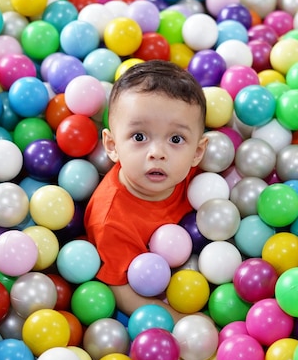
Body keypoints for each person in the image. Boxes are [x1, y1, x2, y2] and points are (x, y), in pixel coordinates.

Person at [84, 60, 209, 322]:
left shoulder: (197, 176)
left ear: (198, 152)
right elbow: (122, 291)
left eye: (176, 139)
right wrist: (180, 321)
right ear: (112, 144)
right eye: (139, 137)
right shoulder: (111, 221)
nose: (157, 153)